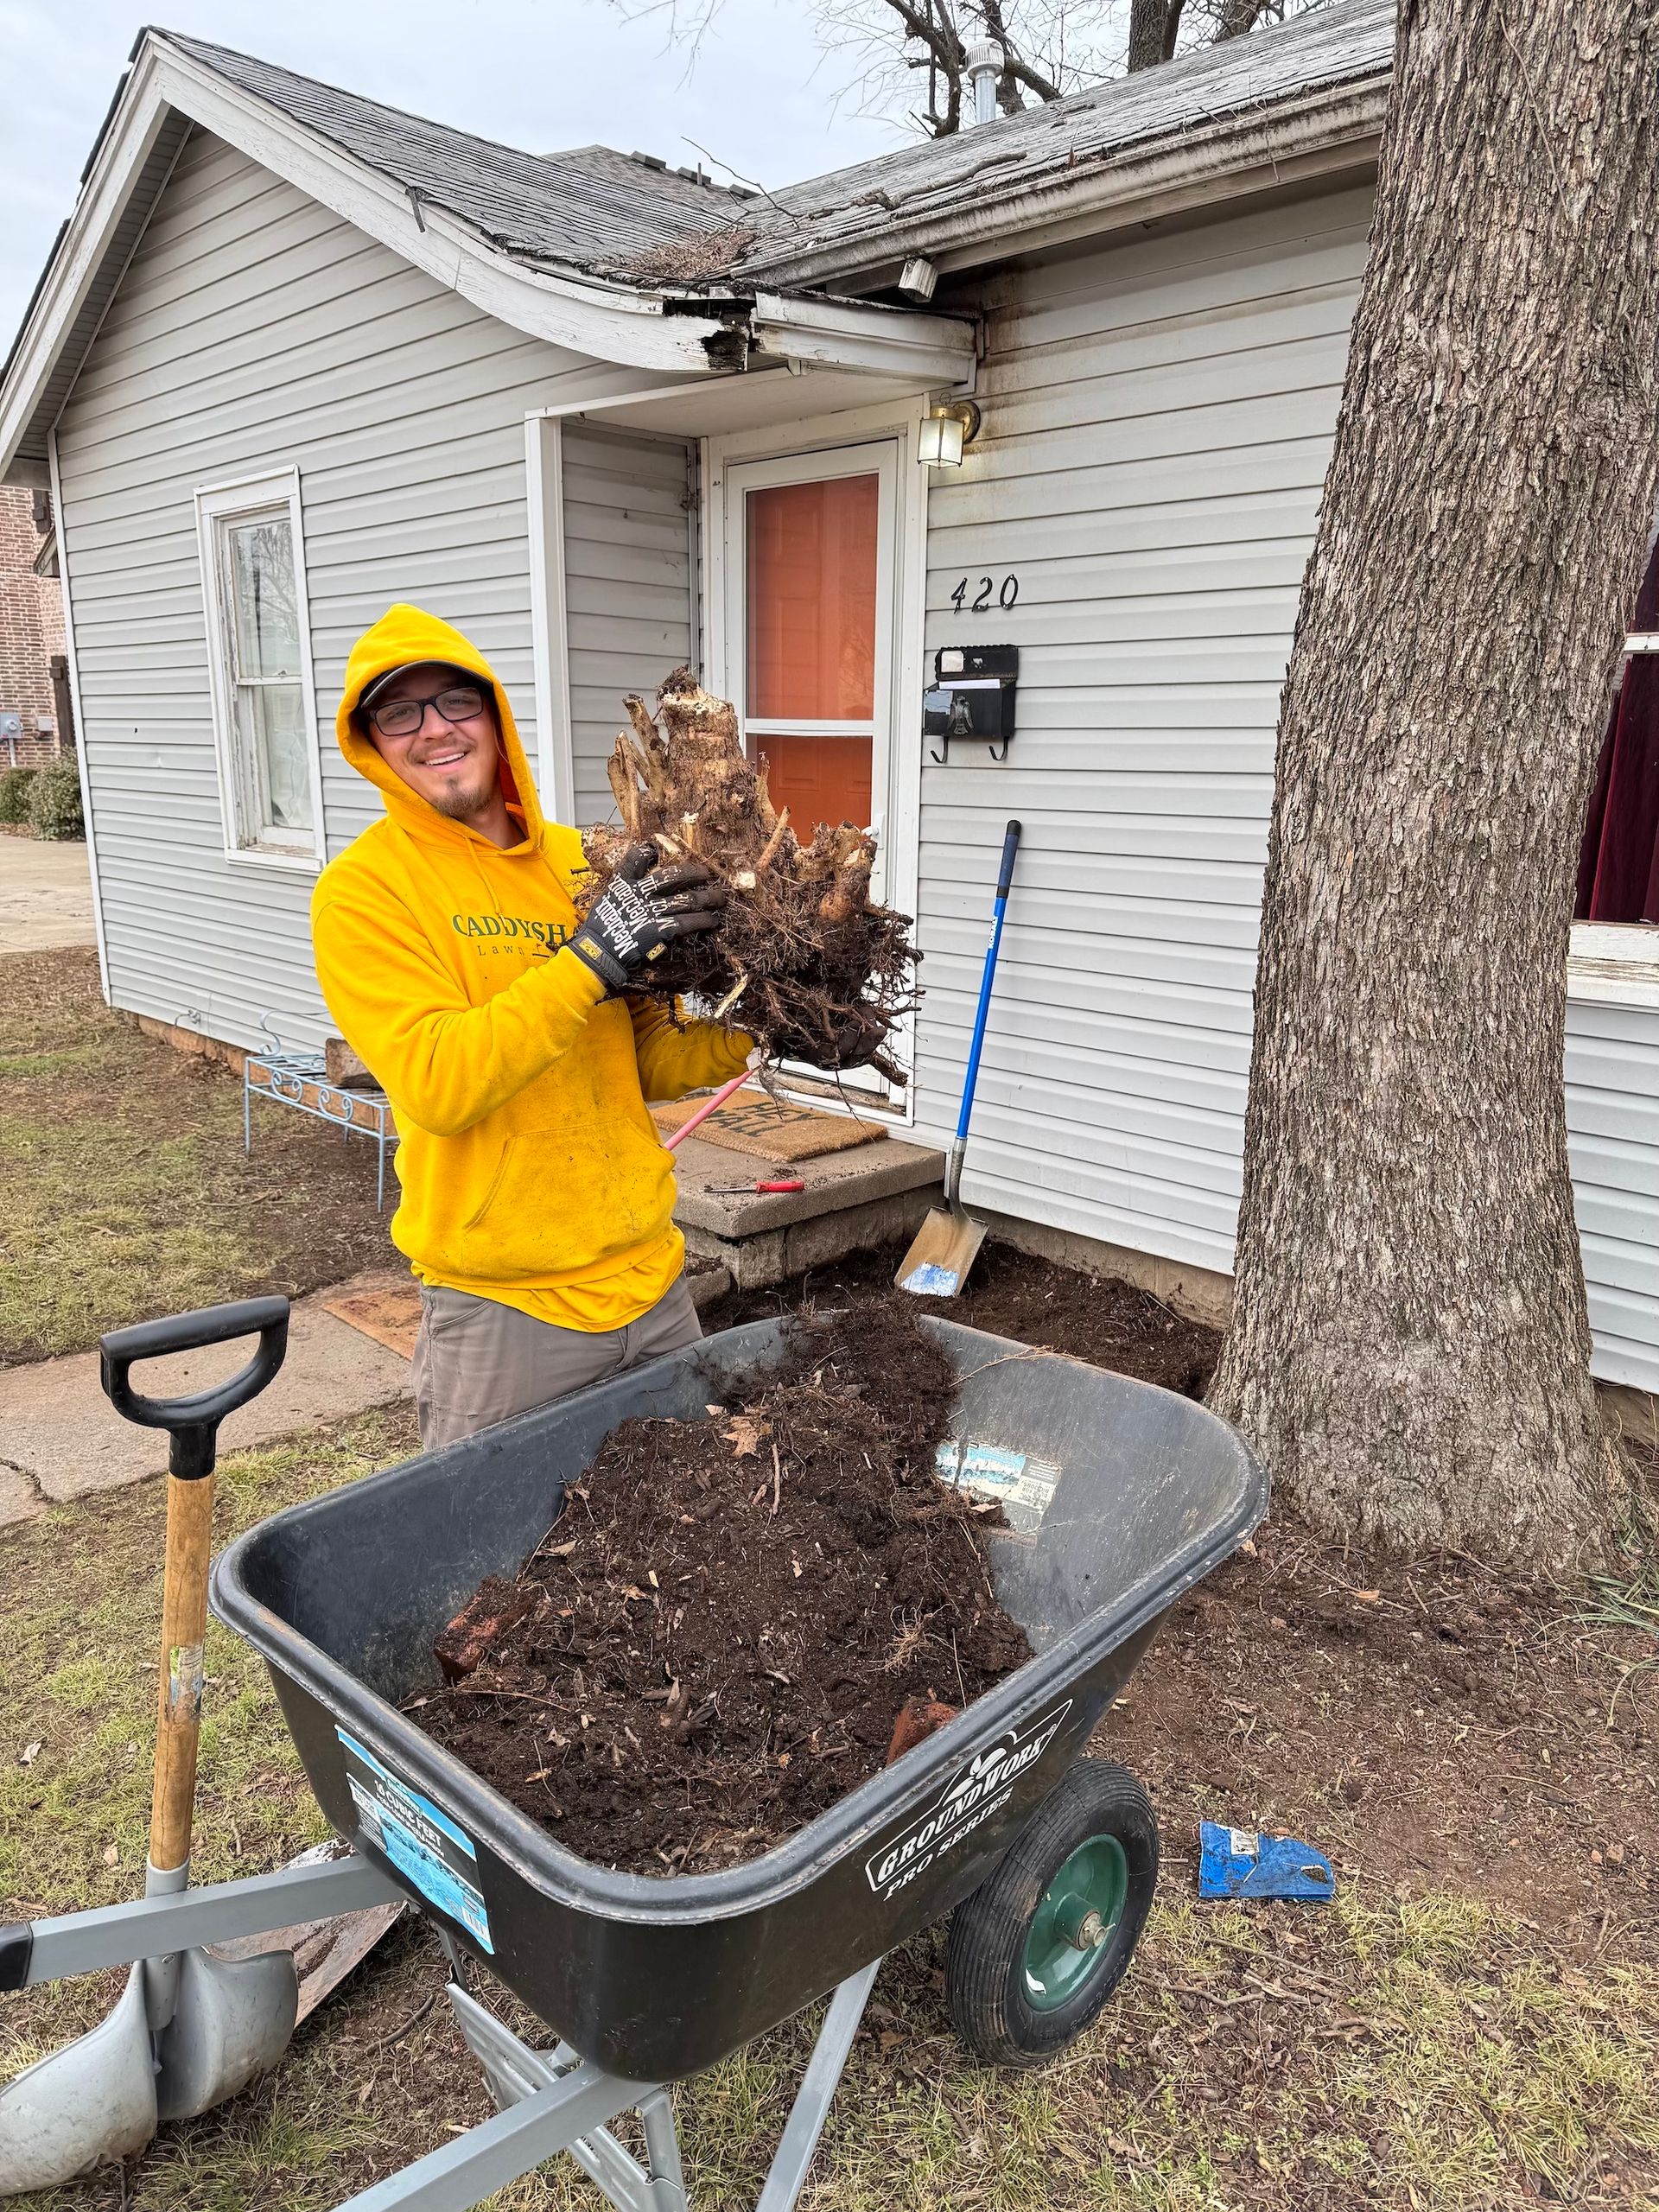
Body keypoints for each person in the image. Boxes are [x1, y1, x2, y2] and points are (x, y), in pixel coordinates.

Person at [312, 602, 753, 1449]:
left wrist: (762, 1029)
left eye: (454, 702)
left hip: (655, 1287)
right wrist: (587, 962)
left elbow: (646, 1058)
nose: (434, 730)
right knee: (502, 1566)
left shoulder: (578, 861)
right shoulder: (364, 892)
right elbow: (440, 1083)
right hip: (506, 1316)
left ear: (493, 713)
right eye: (400, 712)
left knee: (692, 1544)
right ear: (371, 740)